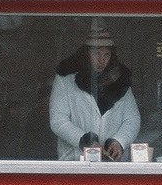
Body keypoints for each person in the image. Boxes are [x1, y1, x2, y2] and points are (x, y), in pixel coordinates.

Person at [49, 18, 141, 161]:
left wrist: (118, 141)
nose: (101, 60)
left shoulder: (120, 80)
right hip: (75, 162)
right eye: (96, 54)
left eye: (106, 55)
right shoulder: (66, 79)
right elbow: (58, 120)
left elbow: (132, 119)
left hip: (112, 164)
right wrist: (85, 140)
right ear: (87, 53)